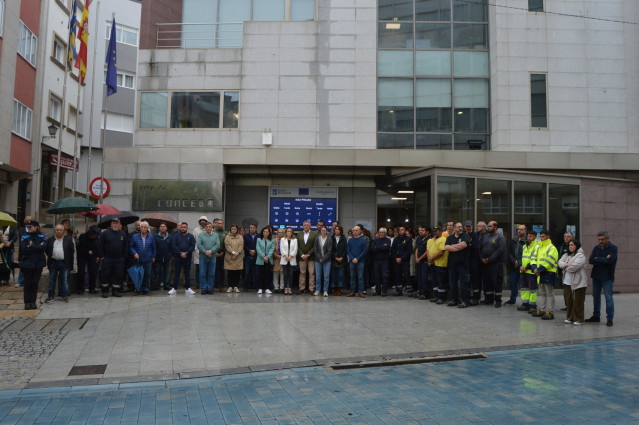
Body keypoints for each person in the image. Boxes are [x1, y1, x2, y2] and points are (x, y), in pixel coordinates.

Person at [586, 231, 617, 327]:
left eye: (602, 239)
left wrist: (597, 259)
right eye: (599, 239)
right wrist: (603, 259)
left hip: (607, 277)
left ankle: (609, 318)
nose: (600, 241)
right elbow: (591, 260)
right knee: (596, 296)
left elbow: (610, 260)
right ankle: (596, 316)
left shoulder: (613, 248)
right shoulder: (596, 247)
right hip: (596, 276)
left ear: (607, 239)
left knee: (608, 298)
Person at [558, 240, 588, 326]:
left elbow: (574, 267)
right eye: (569, 245)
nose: (570, 246)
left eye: (572, 245)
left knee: (578, 301)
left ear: (577, 246)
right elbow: (559, 263)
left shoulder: (581, 256)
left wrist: (565, 267)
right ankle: (570, 317)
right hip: (567, 282)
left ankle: (579, 319)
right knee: (569, 301)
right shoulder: (566, 254)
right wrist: (567, 264)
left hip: (578, 283)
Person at [97, 217, 128, 298]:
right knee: (105, 274)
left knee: (118, 275)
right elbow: (100, 245)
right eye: (113, 223)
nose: (115, 224)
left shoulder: (123, 234)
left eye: (116, 223)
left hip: (119, 259)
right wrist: (101, 256)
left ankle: (116, 290)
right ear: (111, 224)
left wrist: (123, 258)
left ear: (119, 225)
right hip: (107, 258)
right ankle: (105, 291)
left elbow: (126, 247)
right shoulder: (105, 233)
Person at [19, 220, 46, 310]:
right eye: (28, 226)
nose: (29, 228)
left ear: (36, 227)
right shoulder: (24, 236)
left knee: (34, 283)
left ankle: (33, 302)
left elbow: (42, 248)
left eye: (31, 226)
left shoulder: (42, 236)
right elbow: (24, 249)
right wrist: (36, 247)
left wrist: (32, 246)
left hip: (38, 264)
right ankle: (27, 302)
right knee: (27, 284)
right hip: (27, 264)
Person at [532, 229, 559, 320]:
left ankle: (550, 312)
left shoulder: (552, 248)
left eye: (543, 236)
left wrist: (539, 270)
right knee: (543, 293)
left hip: (548, 272)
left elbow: (550, 261)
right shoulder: (539, 247)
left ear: (548, 237)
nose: (541, 238)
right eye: (541, 236)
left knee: (549, 293)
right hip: (540, 272)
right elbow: (534, 258)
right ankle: (542, 310)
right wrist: (535, 269)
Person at [45, 224, 75, 303]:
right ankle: (50, 296)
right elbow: (47, 250)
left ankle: (64, 296)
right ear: (55, 231)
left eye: (60, 230)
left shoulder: (68, 240)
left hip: (64, 263)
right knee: (52, 280)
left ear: (63, 231)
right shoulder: (50, 240)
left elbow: (72, 251)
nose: (58, 231)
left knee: (64, 280)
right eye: (57, 230)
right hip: (53, 262)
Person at [478, 221, 506, 308]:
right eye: (488, 226)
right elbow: (479, 248)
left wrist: (490, 259)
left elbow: (499, 250)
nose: (488, 228)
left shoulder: (500, 237)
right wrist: (482, 258)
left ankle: (498, 300)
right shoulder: (485, 236)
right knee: (487, 282)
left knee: (496, 282)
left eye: (490, 226)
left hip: (496, 264)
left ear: (495, 227)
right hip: (485, 264)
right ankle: (488, 299)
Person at [445, 222, 471, 308]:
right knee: (453, 284)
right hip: (452, 265)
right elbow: (446, 247)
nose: (460, 228)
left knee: (464, 284)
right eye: (458, 227)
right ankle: (454, 300)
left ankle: (465, 301)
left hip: (463, 265)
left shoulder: (465, 236)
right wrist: (458, 247)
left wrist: (453, 246)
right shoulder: (450, 237)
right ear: (454, 229)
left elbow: (464, 245)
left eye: (461, 227)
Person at [129, 221, 156, 295]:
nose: (143, 228)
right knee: (138, 275)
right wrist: (134, 253)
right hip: (138, 259)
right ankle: (138, 289)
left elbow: (154, 248)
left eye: (145, 227)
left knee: (147, 275)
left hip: (148, 259)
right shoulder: (135, 236)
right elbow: (131, 247)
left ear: (147, 228)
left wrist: (153, 256)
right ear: (140, 228)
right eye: (142, 227)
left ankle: (146, 289)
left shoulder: (151, 237)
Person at [170, 222, 196, 295]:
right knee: (176, 273)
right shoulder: (176, 236)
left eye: (184, 227)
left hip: (187, 258)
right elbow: (174, 246)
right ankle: (174, 288)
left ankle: (188, 288)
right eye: (181, 227)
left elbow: (192, 246)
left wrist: (186, 253)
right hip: (178, 257)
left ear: (187, 228)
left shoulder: (190, 236)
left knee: (187, 273)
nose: (182, 228)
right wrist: (180, 253)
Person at [517, 230, 540, 313]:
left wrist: (526, 267)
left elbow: (535, 259)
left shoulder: (537, 246)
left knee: (532, 289)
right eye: (528, 236)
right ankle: (525, 304)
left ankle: (533, 305)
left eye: (531, 236)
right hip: (523, 271)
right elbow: (521, 257)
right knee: (524, 289)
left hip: (531, 271)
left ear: (535, 237)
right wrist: (521, 266)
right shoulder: (524, 246)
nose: (529, 238)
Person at [196, 221, 220, 295]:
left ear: (212, 227)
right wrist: (205, 252)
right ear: (204, 228)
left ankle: (210, 288)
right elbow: (199, 245)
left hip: (212, 257)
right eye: (207, 227)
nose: (208, 228)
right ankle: (203, 288)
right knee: (202, 273)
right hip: (203, 257)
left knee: (211, 274)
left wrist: (210, 251)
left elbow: (217, 245)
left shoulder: (215, 235)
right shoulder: (201, 235)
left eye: (210, 227)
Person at [506, 225, 527, 305]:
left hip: (523, 266)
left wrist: (520, 263)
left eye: (521, 229)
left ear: (525, 230)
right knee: (513, 282)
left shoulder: (527, 241)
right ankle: (512, 299)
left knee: (524, 284)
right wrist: (514, 261)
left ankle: (525, 301)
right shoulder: (514, 240)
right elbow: (509, 252)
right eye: (518, 229)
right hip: (514, 264)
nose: (519, 231)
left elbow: (527, 255)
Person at [77, 227, 100, 294]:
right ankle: (80, 288)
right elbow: (80, 247)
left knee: (93, 271)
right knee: (81, 271)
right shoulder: (83, 237)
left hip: (92, 255)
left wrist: (97, 255)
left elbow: (97, 247)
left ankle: (92, 288)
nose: (94, 237)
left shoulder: (96, 239)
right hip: (82, 255)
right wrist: (87, 251)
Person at [296, 220, 317, 294]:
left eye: (307, 225)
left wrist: (308, 254)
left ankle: (311, 288)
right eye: (305, 225)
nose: (306, 226)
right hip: (301, 257)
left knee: (311, 273)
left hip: (311, 257)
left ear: (310, 226)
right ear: (303, 226)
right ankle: (301, 288)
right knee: (302, 272)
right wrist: (302, 255)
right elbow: (297, 246)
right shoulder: (299, 234)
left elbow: (315, 246)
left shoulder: (314, 234)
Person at [390, 226, 412, 296]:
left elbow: (409, 251)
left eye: (402, 230)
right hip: (396, 260)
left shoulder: (408, 239)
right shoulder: (396, 239)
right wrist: (396, 258)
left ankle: (409, 291)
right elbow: (392, 249)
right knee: (397, 275)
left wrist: (401, 258)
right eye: (400, 230)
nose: (401, 231)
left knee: (406, 275)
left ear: (405, 231)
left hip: (405, 260)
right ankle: (398, 291)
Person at [347, 225, 367, 298]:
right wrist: (352, 258)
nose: (354, 232)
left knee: (360, 277)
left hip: (360, 261)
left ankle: (361, 291)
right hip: (352, 261)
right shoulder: (350, 240)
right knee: (352, 277)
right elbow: (348, 250)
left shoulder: (363, 240)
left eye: (356, 230)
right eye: (353, 231)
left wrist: (357, 258)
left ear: (360, 231)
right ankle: (352, 291)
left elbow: (364, 251)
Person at [464, 221, 482, 305]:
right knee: (467, 281)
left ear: (472, 227)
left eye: (470, 226)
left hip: (474, 261)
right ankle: (468, 297)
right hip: (465, 261)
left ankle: (476, 298)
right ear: (465, 227)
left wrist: (465, 245)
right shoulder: (463, 235)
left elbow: (474, 246)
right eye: (467, 226)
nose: (468, 227)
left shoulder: (475, 235)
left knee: (475, 280)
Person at [430, 226, 449, 304]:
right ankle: (436, 296)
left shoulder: (443, 239)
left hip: (441, 264)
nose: (435, 232)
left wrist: (432, 258)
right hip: (434, 264)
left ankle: (442, 297)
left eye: (436, 231)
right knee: (435, 281)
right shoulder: (434, 240)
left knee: (441, 281)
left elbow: (441, 252)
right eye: (434, 231)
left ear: (441, 231)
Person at [370, 227, 391, 296]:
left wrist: (377, 247)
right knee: (377, 276)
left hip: (385, 261)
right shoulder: (375, 240)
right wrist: (382, 246)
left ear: (385, 233)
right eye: (380, 232)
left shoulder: (388, 240)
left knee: (385, 276)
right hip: (376, 260)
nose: (381, 234)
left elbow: (386, 248)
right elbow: (372, 249)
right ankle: (378, 291)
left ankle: (384, 291)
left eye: (383, 232)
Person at [224, 224, 244, 293]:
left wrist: (237, 253)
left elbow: (241, 246)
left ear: (237, 230)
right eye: (232, 229)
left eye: (235, 229)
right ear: (230, 229)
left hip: (238, 257)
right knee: (230, 272)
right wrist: (233, 252)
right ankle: (230, 286)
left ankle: (236, 286)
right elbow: (227, 246)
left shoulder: (240, 237)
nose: (233, 230)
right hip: (230, 257)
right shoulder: (227, 237)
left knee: (237, 272)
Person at [557, 232, 574, 311]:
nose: (566, 238)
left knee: (570, 289)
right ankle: (567, 305)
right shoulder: (562, 245)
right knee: (564, 289)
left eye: (568, 236)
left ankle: (571, 305)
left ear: (572, 237)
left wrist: (564, 264)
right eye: (565, 236)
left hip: (569, 272)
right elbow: (560, 259)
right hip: (561, 270)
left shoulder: (573, 246)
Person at [313, 226, 332, 297]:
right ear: (320, 231)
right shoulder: (317, 239)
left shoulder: (329, 239)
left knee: (326, 276)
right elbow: (315, 249)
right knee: (318, 276)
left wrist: (323, 259)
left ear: (327, 231)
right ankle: (318, 290)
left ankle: (325, 290)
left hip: (327, 261)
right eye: (322, 230)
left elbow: (329, 251)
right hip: (318, 260)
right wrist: (320, 258)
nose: (323, 232)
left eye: (324, 230)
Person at [153, 223, 173, 290]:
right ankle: (156, 285)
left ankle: (166, 285)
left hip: (167, 257)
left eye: (164, 226)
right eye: (161, 226)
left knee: (167, 272)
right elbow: (153, 247)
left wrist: (170, 255)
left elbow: (172, 247)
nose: (162, 228)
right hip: (158, 257)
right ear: (159, 228)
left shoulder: (170, 236)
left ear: (166, 228)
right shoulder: (155, 236)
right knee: (157, 272)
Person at [256, 226, 274, 295]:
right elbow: (258, 249)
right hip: (261, 259)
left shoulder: (272, 240)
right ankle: (260, 288)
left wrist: (267, 257)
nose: (265, 233)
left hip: (268, 260)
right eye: (264, 232)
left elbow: (272, 249)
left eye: (267, 232)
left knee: (267, 274)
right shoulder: (259, 240)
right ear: (262, 232)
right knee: (260, 274)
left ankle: (267, 288)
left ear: (269, 233)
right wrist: (264, 257)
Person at [192, 216, 209, 290]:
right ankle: (197, 284)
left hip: (207, 253)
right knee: (198, 270)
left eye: (204, 220)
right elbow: (193, 241)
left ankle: (205, 284)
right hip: (198, 253)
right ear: (199, 222)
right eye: (201, 220)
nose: (202, 222)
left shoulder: (209, 229)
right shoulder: (196, 230)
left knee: (206, 270)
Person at [279, 227, 297, 295]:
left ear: (292, 233)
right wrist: (286, 255)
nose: (289, 232)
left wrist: (290, 256)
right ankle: (285, 288)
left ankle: (290, 288)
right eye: (288, 231)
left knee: (291, 274)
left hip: (292, 259)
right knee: (285, 274)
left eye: (290, 231)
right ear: (286, 232)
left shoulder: (295, 240)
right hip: (284, 259)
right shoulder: (283, 239)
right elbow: (282, 248)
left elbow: (295, 249)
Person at [414, 226, 431, 300]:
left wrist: (420, 258)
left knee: (424, 278)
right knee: (419, 277)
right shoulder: (419, 238)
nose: (420, 232)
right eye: (420, 230)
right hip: (418, 261)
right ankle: (420, 292)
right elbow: (417, 249)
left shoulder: (429, 239)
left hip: (425, 261)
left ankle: (425, 293)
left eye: (423, 230)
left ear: (427, 232)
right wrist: (416, 258)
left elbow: (427, 251)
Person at [331, 224, 347, 296]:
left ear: (341, 231)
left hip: (342, 260)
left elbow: (345, 249)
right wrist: (335, 257)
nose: (337, 231)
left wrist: (342, 257)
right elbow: (330, 249)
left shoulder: (343, 238)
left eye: (338, 229)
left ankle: (339, 289)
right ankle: (334, 289)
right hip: (334, 260)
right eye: (336, 229)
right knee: (334, 275)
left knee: (341, 275)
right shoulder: (331, 238)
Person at [243, 223, 259, 292]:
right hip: (248, 256)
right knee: (247, 272)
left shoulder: (259, 236)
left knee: (256, 272)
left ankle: (256, 286)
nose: (252, 229)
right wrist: (249, 251)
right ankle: (246, 287)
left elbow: (260, 245)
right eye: (250, 227)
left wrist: (255, 251)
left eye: (253, 227)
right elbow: (244, 245)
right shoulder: (245, 236)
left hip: (256, 256)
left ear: (256, 229)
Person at [213, 218, 228, 292]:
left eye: (221, 223)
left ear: (223, 224)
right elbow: (211, 243)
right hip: (214, 254)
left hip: (223, 254)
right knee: (213, 271)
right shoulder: (213, 232)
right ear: (216, 224)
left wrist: (224, 252)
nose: (219, 225)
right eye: (218, 223)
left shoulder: (226, 233)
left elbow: (227, 244)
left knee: (222, 271)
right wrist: (214, 252)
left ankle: (222, 286)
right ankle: (212, 286)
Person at [272, 228, 284, 293]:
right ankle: (276, 287)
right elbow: (272, 249)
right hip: (276, 259)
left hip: (283, 259)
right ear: (277, 233)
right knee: (275, 273)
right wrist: (276, 255)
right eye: (279, 232)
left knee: (282, 274)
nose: (280, 234)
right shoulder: (273, 240)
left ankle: (282, 287)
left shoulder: (285, 240)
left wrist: (283, 256)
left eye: (281, 232)